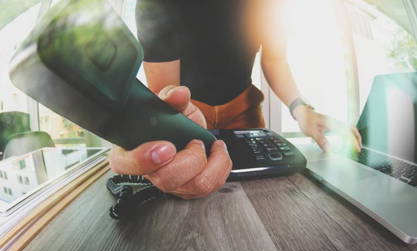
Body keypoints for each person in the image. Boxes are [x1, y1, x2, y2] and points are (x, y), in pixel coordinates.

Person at [109, 0, 362, 199]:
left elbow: (275, 59)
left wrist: (301, 109)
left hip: (245, 111)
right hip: (189, 114)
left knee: (266, 194)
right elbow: (167, 91)